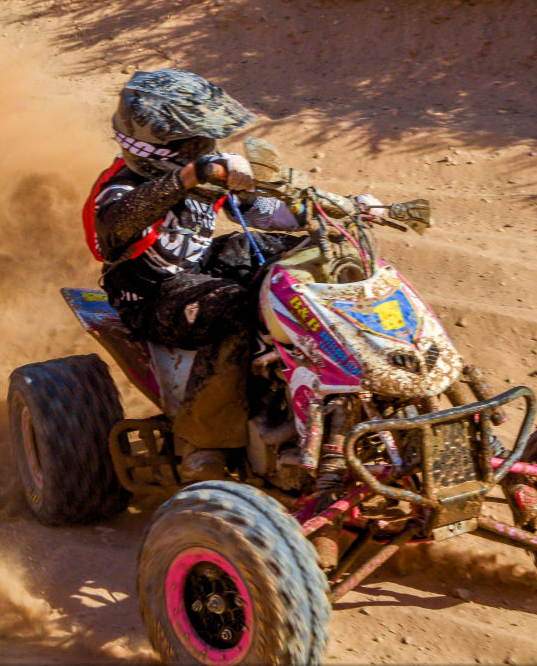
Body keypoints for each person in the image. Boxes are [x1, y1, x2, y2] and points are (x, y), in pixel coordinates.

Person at [83, 69, 382, 481]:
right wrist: (189, 175)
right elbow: (118, 225)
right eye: (191, 142)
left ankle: (354, 379)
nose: (203, 148)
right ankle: (205, 441)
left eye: (204, 140)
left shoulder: (205, 173)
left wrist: (341, 208)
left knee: (318, 257)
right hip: (149, 296)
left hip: (203, 267)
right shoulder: (120, 188)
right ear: (157, 146)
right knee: (237, 305)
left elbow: (266, 211)